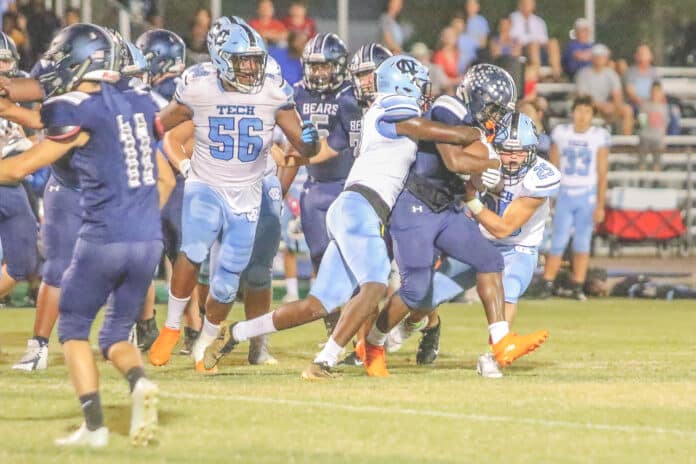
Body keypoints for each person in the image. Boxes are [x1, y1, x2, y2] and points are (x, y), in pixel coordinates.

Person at [201, 55, 533, 380]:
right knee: (374, 284)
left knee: (317, 304)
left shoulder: (383, 109)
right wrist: (469, 135)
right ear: (403, 85)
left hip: (356, 209)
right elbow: (419, 127)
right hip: (360, 206)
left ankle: (237, 332)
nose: (423, 93)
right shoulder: (391, 105)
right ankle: (325, 360)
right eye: (418, 86)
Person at [0, 23, 164, 447]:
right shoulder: (141, 103)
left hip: (104, 235)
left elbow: (18, 168)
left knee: (72, 328)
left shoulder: (78, 108)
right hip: (148, 239)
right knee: (113, 335)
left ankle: (94, 426)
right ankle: (138, 381)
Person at [149, 16, 320, 373]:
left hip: (250, 192)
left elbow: (300, 138)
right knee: (193, 249)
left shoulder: (272, 89)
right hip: (206, 183)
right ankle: (172, 324)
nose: (250, 68)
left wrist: (310, 142)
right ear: (221, 57)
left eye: (255, 60)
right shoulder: (199, 85)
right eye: (243, 60)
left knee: (227, 283)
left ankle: (206, 343)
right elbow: (162, 123)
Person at [362, 64, 549, 375]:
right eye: (492, 108)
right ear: (476, 97)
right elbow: (453, 160)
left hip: (447, 208)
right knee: (415, 291)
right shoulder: (449, 107)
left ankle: (501, 340)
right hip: (416, 205)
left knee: (489, 260)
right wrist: (488, 161)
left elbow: (476, 174)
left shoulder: (478, 127)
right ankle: (373, 343)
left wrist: (484, 168)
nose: (495, 117)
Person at [542, 95, 610, 300]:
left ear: (592, 115)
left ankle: (578, 284)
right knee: (558, 240)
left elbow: (602, 171)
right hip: (564, 192)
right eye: (579, 110)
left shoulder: (598, 136)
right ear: (572, 112)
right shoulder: (561, 133)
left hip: (586, 193)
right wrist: (550, 195)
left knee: (582, 241)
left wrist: (600, 203)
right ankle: (548, 282)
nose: (582, 116)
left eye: (587, 111)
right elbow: (552, 166)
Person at [0, 32, 37, 302]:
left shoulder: (20, 88)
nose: (4, 66)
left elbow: (33, 133)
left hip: (11, 183)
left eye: (6, 60)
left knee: (23, 263)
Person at [575, 43, 634, 135]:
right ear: (592, 58)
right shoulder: (583, 74)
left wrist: (613, 106)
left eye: (602, 56)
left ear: (606, 58)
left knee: (627, 110)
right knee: (583, 108)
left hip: (606, 107)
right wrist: (602, 106)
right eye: (596, 56)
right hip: (589, 106)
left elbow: (617, 96)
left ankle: (625, 142)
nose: (599, 59)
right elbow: (583, 98)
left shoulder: (611, 74)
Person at [509, 0, 561, 79]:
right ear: (520, 5)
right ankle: (538, 74)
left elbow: (544, 39)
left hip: (538, 48)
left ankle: (556, 73)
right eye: (525, 3)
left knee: (553, 42)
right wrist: (532, 41)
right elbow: (512, 36)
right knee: (533, 45)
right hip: (521, 48)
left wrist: (536, 42)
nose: (527, 6)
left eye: (530, 4)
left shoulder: (539, 21)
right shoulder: (512, 18)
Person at [638, 82, 668, 172]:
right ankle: (641, 179)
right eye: (653, 91)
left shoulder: (664, 108)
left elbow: (664, 125)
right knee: (642, 162)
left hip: (657, 138)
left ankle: (656, 180)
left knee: (657, 162)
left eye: (657, 91)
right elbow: (642, 122)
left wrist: (663, 140)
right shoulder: (644, 106)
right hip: (645, 137)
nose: (655, 94)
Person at [624, 45, 659, 111]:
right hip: (635, 104)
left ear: (651, 56)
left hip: (652, 103)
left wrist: (654, 102)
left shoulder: (654, 72)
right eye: (641, 54)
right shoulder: (630, 72)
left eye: (646, 54)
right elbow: (630, 93)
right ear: (636, 56)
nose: (643, 57)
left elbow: (658, 90)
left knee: (673, 110)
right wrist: (643, 103)